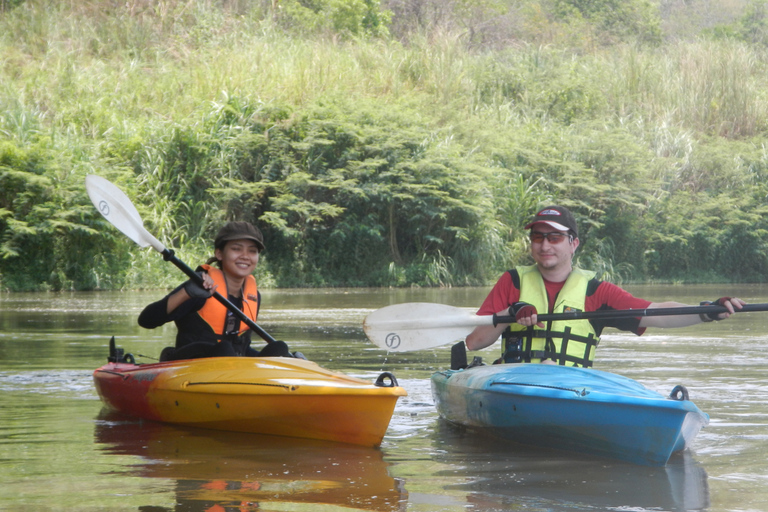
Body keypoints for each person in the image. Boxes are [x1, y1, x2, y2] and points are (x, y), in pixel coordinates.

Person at [463, 206, 745, 368]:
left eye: (554, 237)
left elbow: (657, 312)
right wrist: (510, 312)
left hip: (570, 389)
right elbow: (475, 342)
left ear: (573, 243)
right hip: (514, 383)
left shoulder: (597, 292)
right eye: (538, 237)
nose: (545, 245)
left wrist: (707, 311)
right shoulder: (512, 282)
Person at [139, 221, 294, 361]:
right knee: (224, 349)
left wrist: (291, 360)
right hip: (191, 363)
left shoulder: (252, 296)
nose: (245, 256)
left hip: (231, 366)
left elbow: (242, 348)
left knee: (279, 348)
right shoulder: (201, 287)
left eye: (252, 251)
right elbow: (146, 320)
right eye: (236, 249)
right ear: (219, 254)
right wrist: (186, 293)